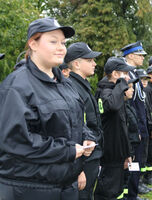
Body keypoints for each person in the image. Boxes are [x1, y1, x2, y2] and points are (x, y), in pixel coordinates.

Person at [0, 17, 96, 200]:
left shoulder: (65, 84)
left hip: (66, 185)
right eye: (53, 41)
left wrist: (86, 139)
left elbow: (76, 121)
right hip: (30, 189)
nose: (61, 48)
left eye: (63, 42)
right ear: (33, 44)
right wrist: (67, 150)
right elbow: (16, 140)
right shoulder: (16, 86)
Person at [64, 42, 103, 200]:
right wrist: (79, 169)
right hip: (83, 160)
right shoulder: (72, 87)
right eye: (90, 60)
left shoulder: (82, 85)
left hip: (91, 156)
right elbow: (73, 129)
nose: (94, 63)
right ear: (77, 64)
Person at [94, 57, 133, 200]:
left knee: (117, 190)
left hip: (118, 152)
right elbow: (112, 105)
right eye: (125, 73)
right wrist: (121, 84)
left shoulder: (114, 91)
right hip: (109, 154)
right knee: (108, 192)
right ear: (115, 74)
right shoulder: (105, 91)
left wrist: (126, 153)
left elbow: (122, 125)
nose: (128, 78)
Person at [121, 42, 152, 197]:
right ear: (131, 56)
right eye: (140, 55)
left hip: (139, 126)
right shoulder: (124, 74)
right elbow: (127, 106)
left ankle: (133, 192)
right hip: (132, 128)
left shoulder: (133, 74)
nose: (142, 58)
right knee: (131, 163)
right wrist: (134, 130)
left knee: (137, 163)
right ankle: (129, 194)